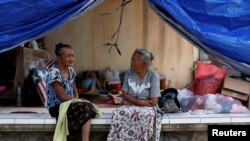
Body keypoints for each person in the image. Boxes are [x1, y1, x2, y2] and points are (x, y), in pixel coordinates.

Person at [107, 48, 162, 141]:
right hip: (138, 105)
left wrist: (130, 102)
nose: (131, 62)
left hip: (147, 108)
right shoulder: (129, 73)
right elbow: (124, 94)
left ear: (143, 62)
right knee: (119, 112)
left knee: (144, 115)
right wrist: (140, 102)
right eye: (131, 59)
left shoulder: (153, 76)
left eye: (134, 59)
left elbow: (153, 102)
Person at [46, 43, 97, 141]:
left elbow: (74, 90)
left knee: (90, 109)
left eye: (73, 56)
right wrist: (79, 101)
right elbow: (63, 97)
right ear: (59, 58)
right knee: (87, 107)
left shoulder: (71, 71)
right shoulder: (54, 73)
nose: (72, 58)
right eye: (68, 56)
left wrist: (77, 100)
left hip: (70, 104)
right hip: (57, 106)